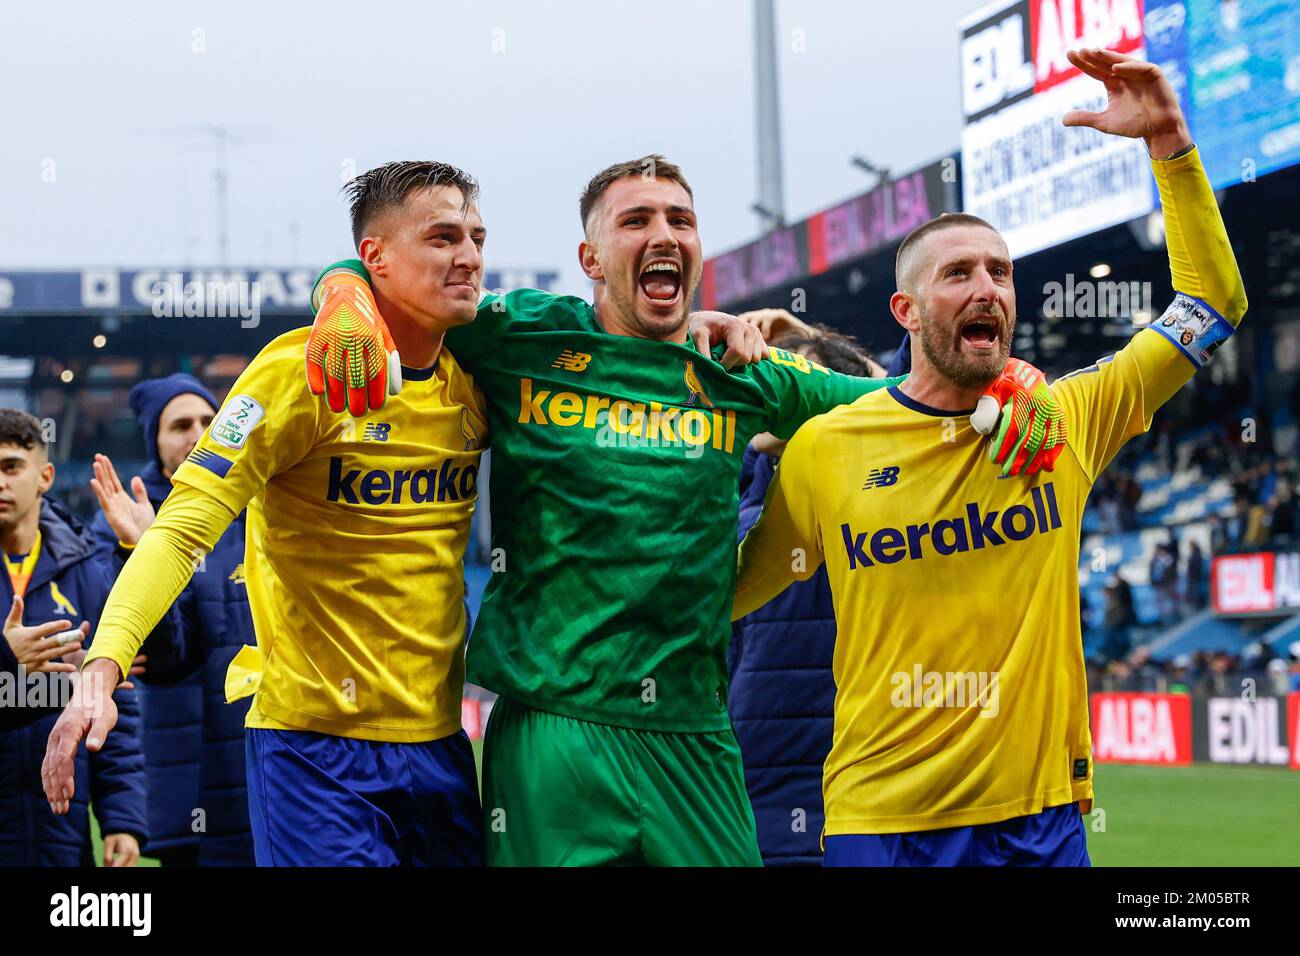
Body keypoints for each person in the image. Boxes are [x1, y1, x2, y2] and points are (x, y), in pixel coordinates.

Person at [295, 156, 1063, 866]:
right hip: (555, 729)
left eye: (680, 221)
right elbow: (393, 274)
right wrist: (340, 294)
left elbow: (913, 401)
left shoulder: (740, 372)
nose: (662, 234)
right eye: (636, 222)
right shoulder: (521, 335)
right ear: (592, 259)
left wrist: (1014, 377)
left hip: (695, 737)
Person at [732, 49, 1247, 866]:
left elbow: (1212, 305)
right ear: (904, 309)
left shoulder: (1069, 417)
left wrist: (1172, 151)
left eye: (1001, 273)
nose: (988, 288)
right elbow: (732, 593)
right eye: (959, 274)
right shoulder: (828, 448)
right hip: (879, 824)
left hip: (1039, 821)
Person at [45, 161, 493, 866]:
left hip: (439, 744)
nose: (467, 255)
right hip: (314, 750)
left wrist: (693, 332)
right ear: (375, 257)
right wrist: (104, 665)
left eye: (476, 236)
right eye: (441, 237)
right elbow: (183, 527)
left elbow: (598, 343)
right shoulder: (297, 374)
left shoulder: (478, 374)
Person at [728, 319, 881, 866]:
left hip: (859, 807)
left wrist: (805, 332)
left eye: (809, 385)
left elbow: (920, 397)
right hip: (755, 810)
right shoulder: (740, 511)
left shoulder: (889, 500)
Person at [90, 373, 258, 866]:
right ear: (155, 441)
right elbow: (157, 652)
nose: (197, 432)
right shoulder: (122, 520)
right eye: (179, 424)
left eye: (208, 420)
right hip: (180, 758)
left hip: (258, 751)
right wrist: (141, 548)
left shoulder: (256, 508)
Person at [0, 409, 148, 866]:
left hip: (61, 828)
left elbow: (114, 707)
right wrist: (7, 661)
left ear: (45, 476)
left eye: (10, 467)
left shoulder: (86, 572)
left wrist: (122, 816)